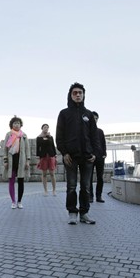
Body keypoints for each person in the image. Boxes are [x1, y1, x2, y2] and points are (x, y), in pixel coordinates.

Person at [56, 82, 98, 225]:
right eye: (75, 93)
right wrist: (65, 152)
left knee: (86, 187)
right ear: (70, 95)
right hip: (71, 157)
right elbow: (59, 137)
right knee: (71, 186)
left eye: (80, 92)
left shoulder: (89, 115)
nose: (78, 95)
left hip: (87, 157)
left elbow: (95, 137)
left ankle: (84, 213)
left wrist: (95, 153)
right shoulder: (64, 114)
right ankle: (72, 213)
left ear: (84, 95)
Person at [3, 116, 31, 209]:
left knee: (21, 181)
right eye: (15, 123)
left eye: (18, 123)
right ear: (11, 125)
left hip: (21, 160)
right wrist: (5, 160)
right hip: (12, 160)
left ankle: (19, 201)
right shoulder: (8, 135)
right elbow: (5, 149)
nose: (17, 125)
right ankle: (13, 201)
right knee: (11, 181)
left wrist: (27, 161)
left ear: (21, 125)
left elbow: (27, 149)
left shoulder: (24, 136)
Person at [36, 123, 57, 196]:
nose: (46, 129)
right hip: (43, 156)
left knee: (52, 173)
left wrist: (55, 155)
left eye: (47, 127)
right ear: (42, 128)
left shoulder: (50, 137)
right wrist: (38, 157)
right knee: (44, 174)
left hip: (51, 156)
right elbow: (38, 148)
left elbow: (53, 146)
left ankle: (54, 190)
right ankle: (45, 190)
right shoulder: (39, 137)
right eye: (45, 127)